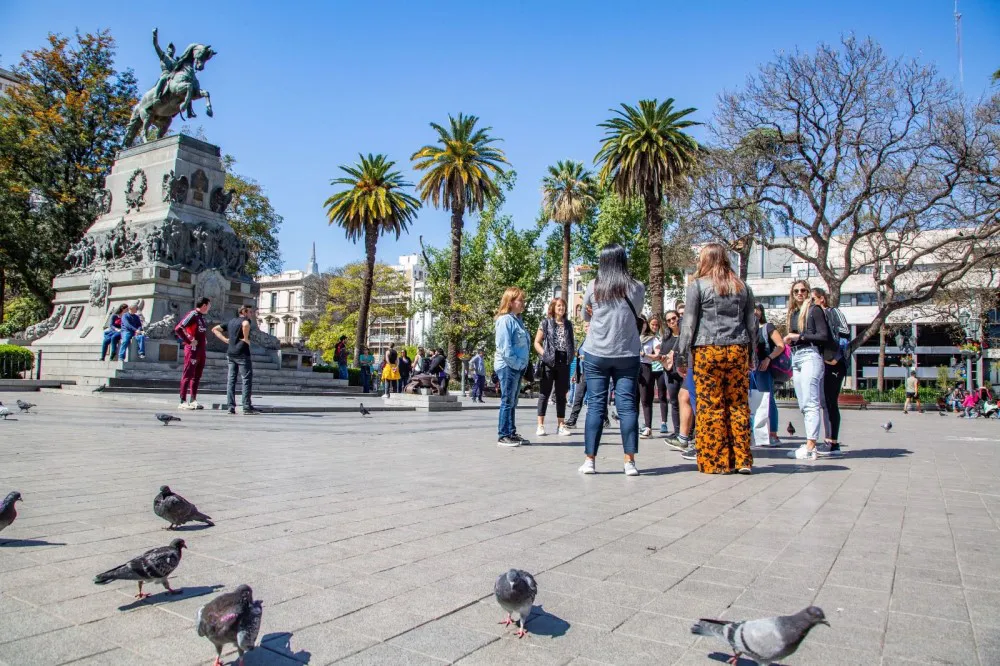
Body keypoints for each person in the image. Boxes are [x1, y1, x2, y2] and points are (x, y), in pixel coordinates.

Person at [675, 243, 757, 475]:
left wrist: (682, 355)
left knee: (710, 405)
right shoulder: (742, 287)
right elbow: (752, 325)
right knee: (738, 404)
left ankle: (716, 461)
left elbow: (689, 324)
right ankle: (742, 459)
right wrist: (752, 353)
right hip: (737, 349)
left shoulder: (698, 286)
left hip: (707, 350)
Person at [578, 244, 644, 476]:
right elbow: (636, 311)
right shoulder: (637, 287)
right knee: (626, 406)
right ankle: (629, 462)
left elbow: (584, 313)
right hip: (627, 353)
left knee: (596, 405)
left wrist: (593, 314)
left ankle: (590, 461)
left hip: (596, 353)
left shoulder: (593, 286)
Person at [784, 280, 830, 460]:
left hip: (811, 354)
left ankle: (811, 445)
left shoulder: (814, 310)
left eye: (803, 290)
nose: (800, 293)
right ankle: (809, 442)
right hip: (796, 356)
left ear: (809, 292)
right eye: (796, 291)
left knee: (811, 401)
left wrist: (799, 336)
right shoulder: (794, 312)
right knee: (803, 403)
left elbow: (823, 335)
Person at [494, 287, 531, 446]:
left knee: (512, 401)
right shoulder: (505, 320)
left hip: (516, 367)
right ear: (510, 302)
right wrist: (517, 364)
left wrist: (522, 365)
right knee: (507, 401)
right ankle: (503, 435)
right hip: (508, 366)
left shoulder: (517, 320)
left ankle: (511, 432)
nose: (523, 303)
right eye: (520, 300)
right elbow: (505, 349)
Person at [813, 288, 848, 454]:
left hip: (834, 362)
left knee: (829, 401)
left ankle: (832, 442)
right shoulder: (815, 316)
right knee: (824, 401)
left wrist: (837, 357)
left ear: (822, 299)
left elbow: (844, 333)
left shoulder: (833, 312)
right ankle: (829, 440)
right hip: (822, 362)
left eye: (813, 299)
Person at [534, 298, 575, 437]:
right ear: (553, 307)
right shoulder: (545, 323)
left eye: (563, 305)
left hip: (564, 361)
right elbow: (537, 342)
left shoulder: (568, 324)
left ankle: (561, 425)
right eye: (558, 305)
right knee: (544, 393)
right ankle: (540, 425)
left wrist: (571, 356)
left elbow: (571, 342)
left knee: (561, 395)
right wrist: (545, 355)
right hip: (549, 361)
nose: (561, 308)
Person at [211, 305, 259, 415]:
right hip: (242, 353)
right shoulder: (246, 321)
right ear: (244, 312)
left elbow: (215, 329)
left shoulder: (231, 322)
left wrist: (225, 339)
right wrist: (246, 339)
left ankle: (230, 406)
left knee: (231, 380)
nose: (251, 314)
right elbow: (246, 324)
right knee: (246, 379)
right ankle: (246, 407)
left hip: (231, 353)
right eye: (250, 312)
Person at [750, 304, 786, 449]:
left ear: (761, 311)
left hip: (764, 368)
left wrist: (768, 358)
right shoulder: (748, 329)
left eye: (756, 309)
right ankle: (758, 434)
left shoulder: (767, 327)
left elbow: (780, 345)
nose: (753, 311)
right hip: (750, 369)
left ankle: (773, 434)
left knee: (768, 400)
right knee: (753, 402)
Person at [173, 297, 210, 410]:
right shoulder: (192, 314)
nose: (209, 308)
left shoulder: (201, 318)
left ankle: (193, 399)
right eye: (208, 305)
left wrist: (204, 339)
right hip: (192, 350)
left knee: (197, 376)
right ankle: (182, 400)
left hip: (201, 350)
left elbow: (199, 331)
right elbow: (179, 328)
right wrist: (189, 340)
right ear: (204, 305)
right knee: (187, 374)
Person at [638, 316, 670, 439]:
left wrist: (645, 354)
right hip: (634, 367)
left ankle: (648, 427)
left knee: (646, 398)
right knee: (634, 398)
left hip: (646, 367)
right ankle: (634, 425)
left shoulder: (653, 339)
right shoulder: (635, 337)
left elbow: (657, 355)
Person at [660, 310, 683, 440]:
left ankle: (689, 432)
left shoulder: (686, 335)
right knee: (674, 402)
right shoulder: (667, 338)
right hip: (671, 373)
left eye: (673, 318)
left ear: (678, 318)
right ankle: (677, 431)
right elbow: (663, 354)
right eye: (668, 320)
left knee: (686, 401)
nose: (672, 322)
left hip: (685, 373)